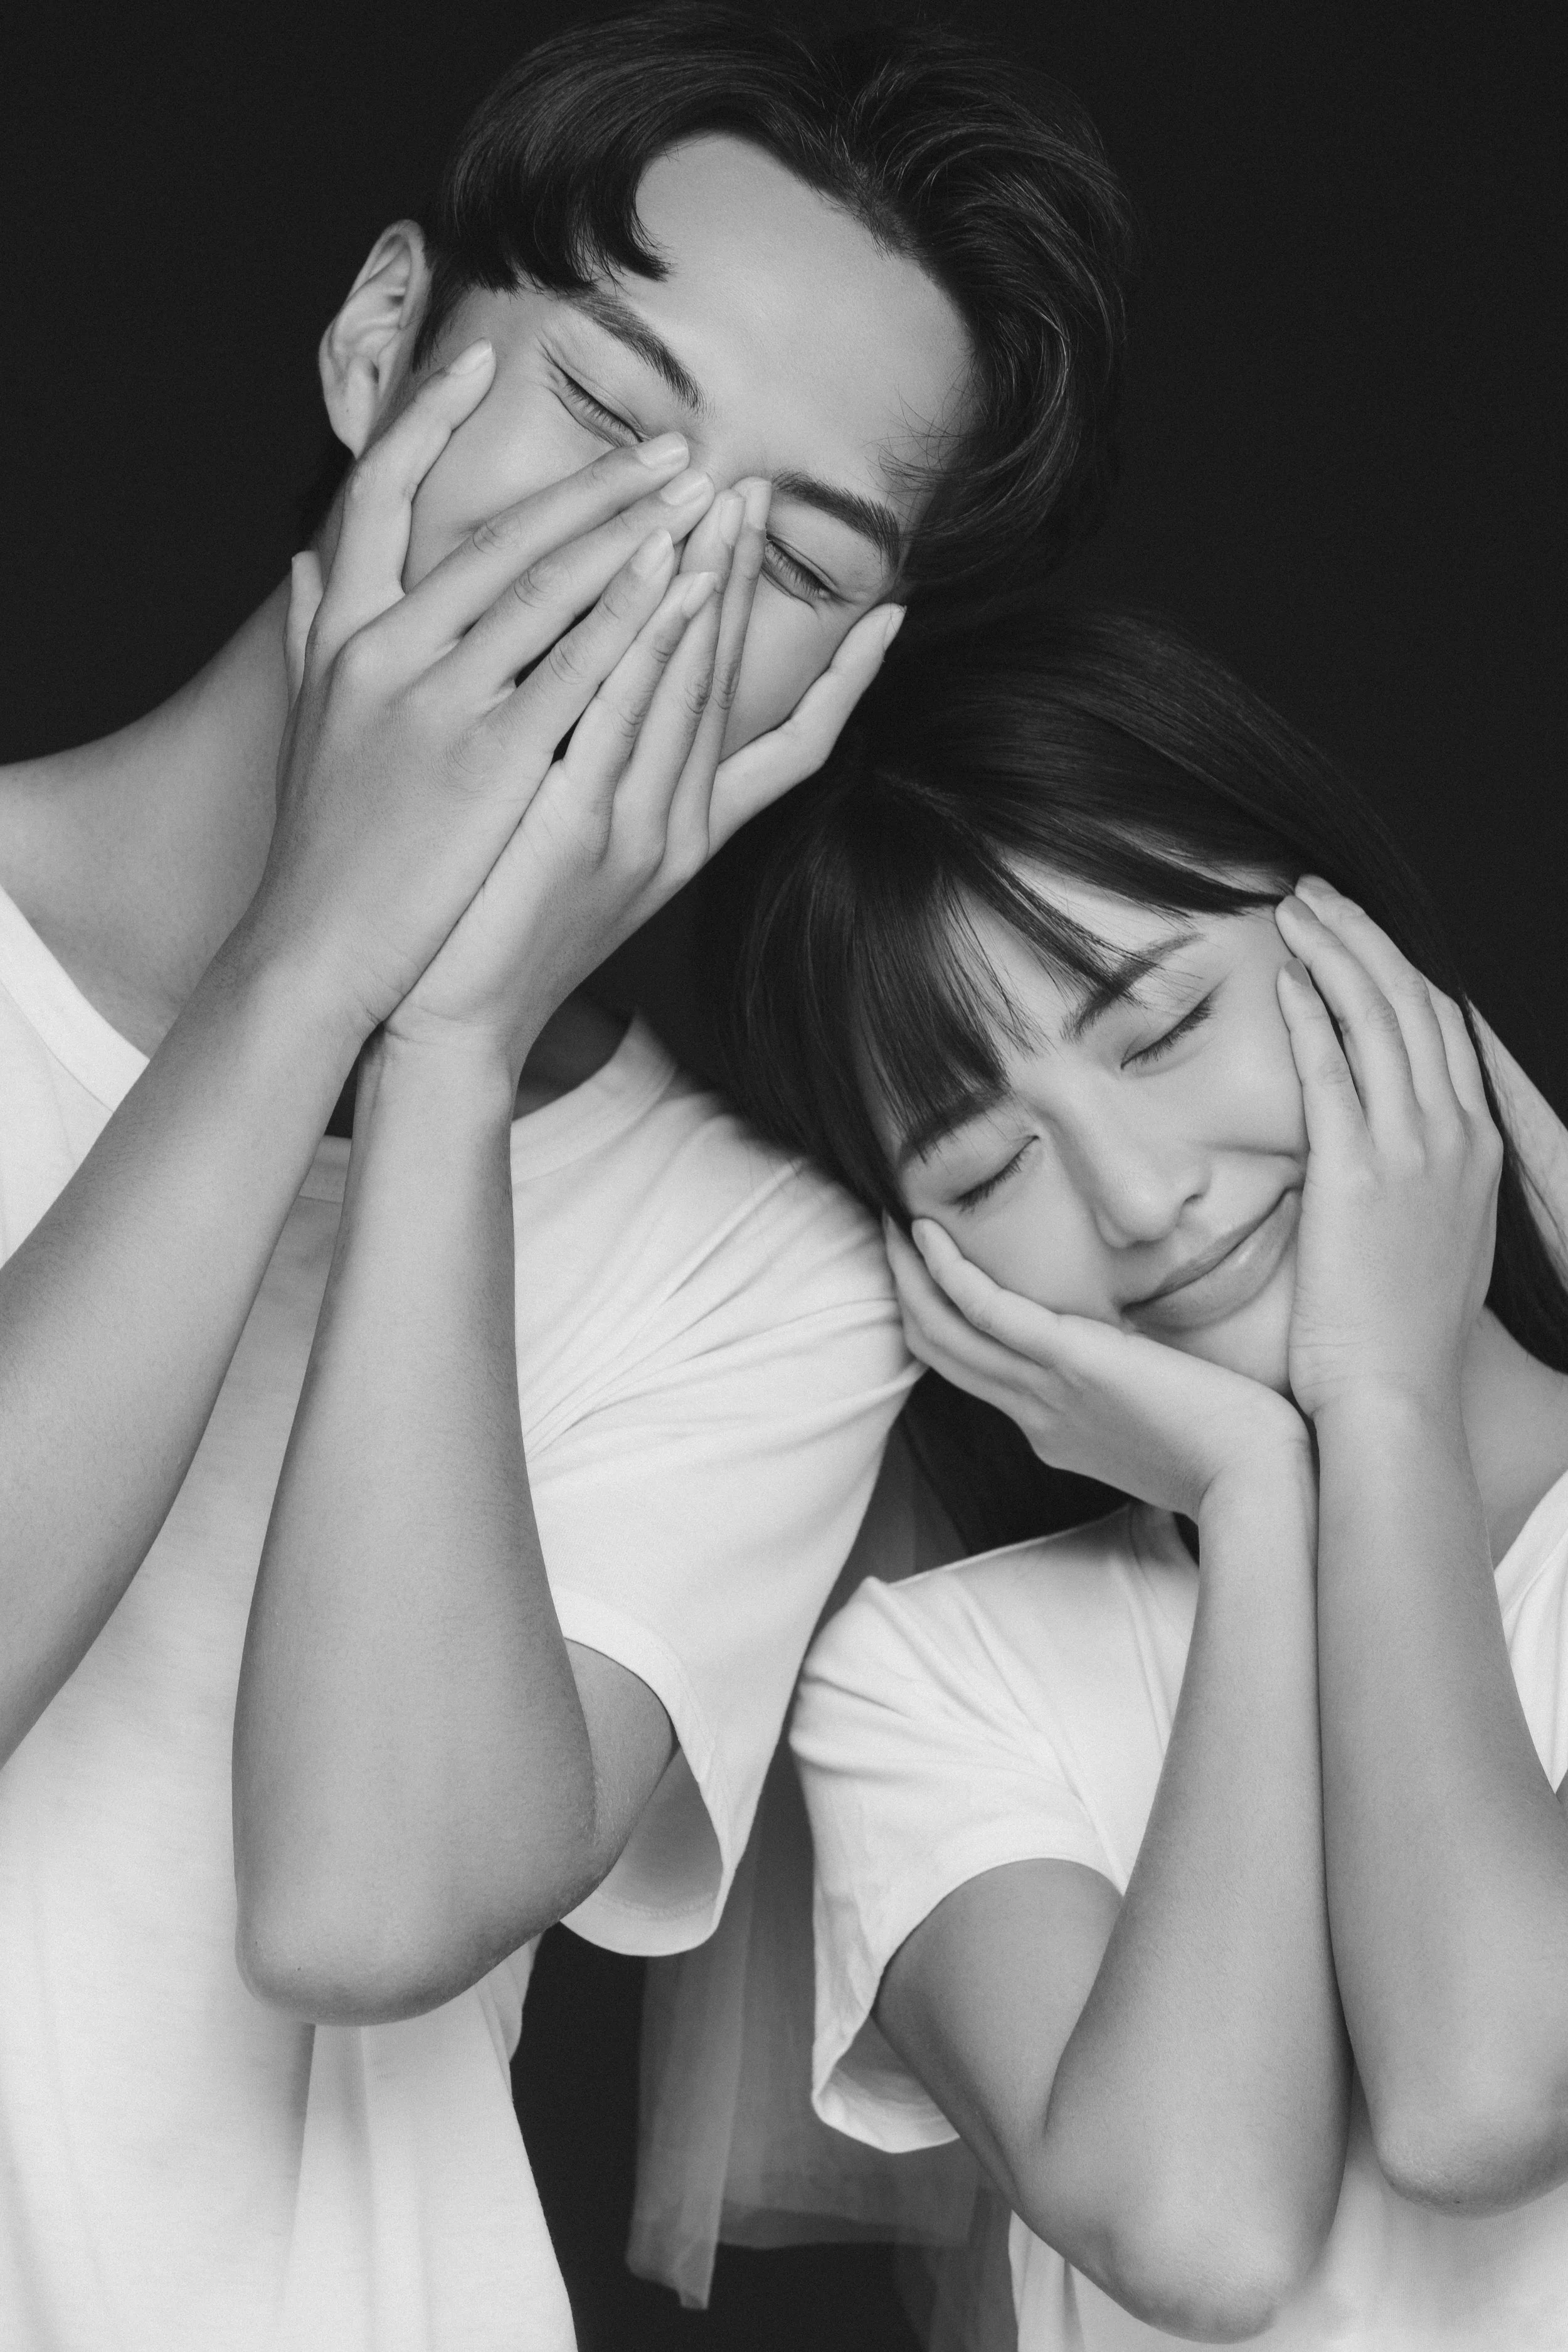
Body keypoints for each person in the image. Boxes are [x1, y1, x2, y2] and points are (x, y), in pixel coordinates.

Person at [0, 10, 1135, 2348]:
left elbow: (363, 1897)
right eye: (611, 414)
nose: (652, 576)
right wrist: (304, 966)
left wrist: (443, 1035)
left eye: (797, 557)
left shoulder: (755, 1255)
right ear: (380, 337)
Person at [716, 605, 1568, 2349]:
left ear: (1358, 947)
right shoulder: (931, 1674)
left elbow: (1482, 2080)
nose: (1135, 1196)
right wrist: (1261, 1504)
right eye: (982, 1160)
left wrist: (1383, 1400)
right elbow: (1198, 2235)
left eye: (1161, 1029)